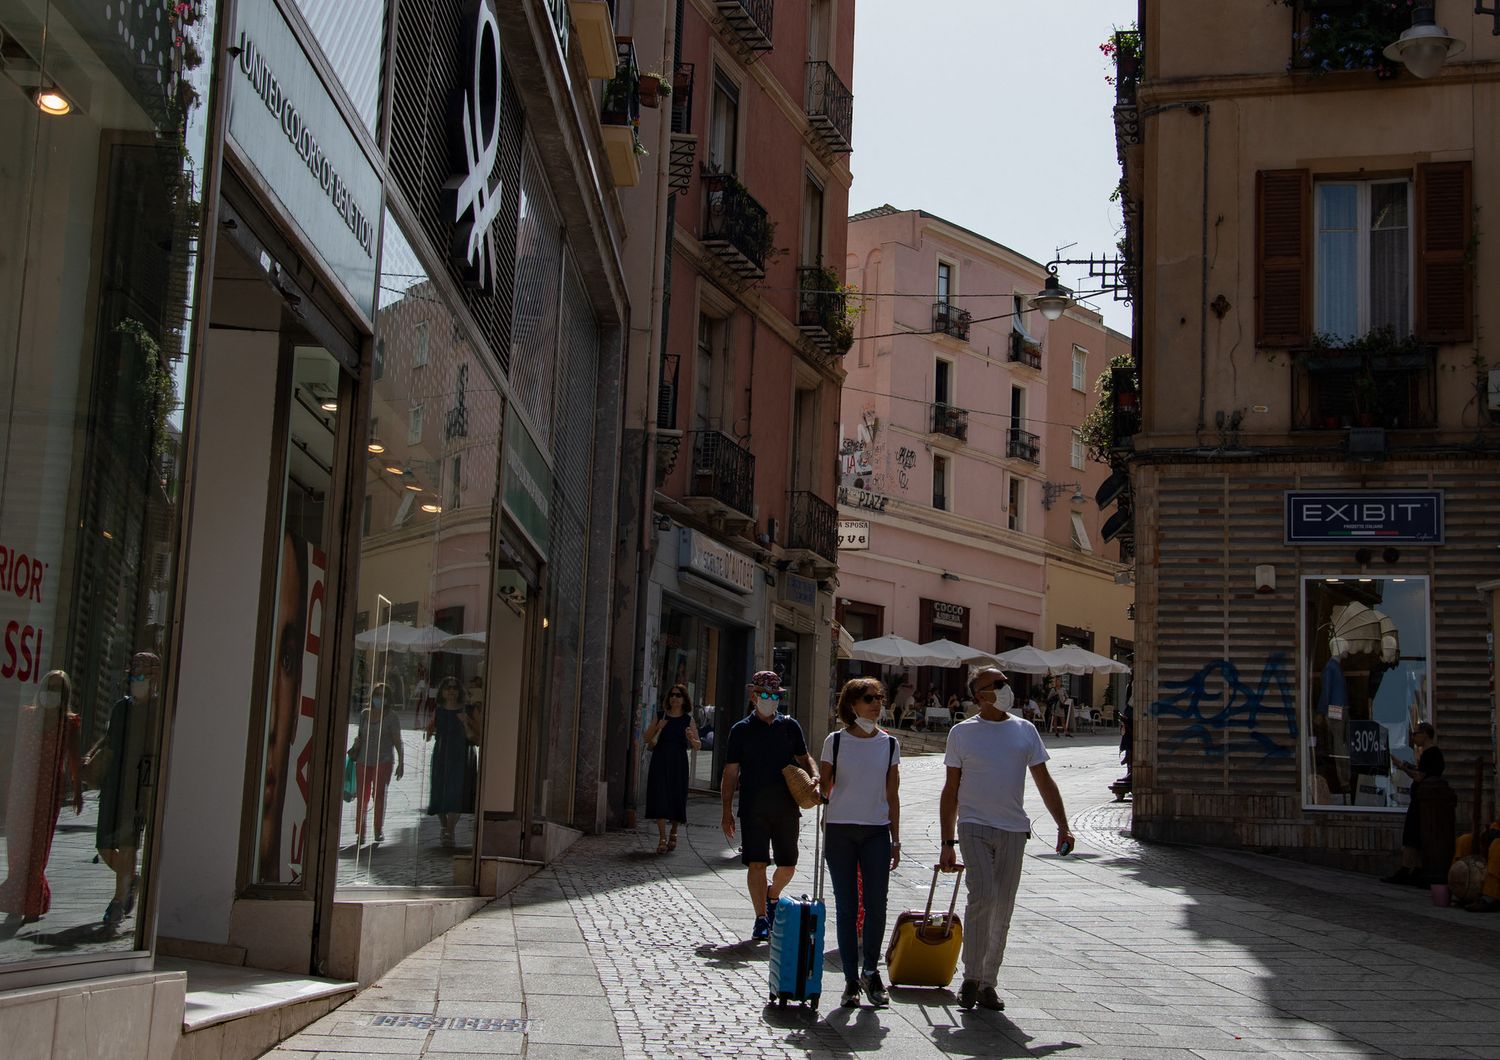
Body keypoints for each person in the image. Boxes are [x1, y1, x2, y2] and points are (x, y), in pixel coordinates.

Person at [939, 665, 1073, 1011]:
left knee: (1003, 906)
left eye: (1005, 683)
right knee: (982, 895)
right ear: (980, 694)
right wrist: (946, 843)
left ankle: (988, 982)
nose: (1004, 689)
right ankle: (970, 976)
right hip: (973, 824)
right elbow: (951, 789)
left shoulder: (1025, 731)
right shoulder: (962, 733)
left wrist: (1063, 824)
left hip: (1014, 829)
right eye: (997, 684)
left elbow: (1044, 779)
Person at [819, 678, 901, 1009]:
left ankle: (871, 971)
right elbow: (823, 788)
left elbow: (893, 794)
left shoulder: (890, 744)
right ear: (851, 704)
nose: (876, 704)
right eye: (869, 698)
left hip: (876, 831)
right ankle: (851, 979)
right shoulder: (835, 742)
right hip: (839, 829)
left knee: (877, 904)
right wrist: (814, 787)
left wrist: (897, 838)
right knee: (847, 906)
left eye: (880, 698)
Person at [721, 670, 818, 941]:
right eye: (764, 694)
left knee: (788, 866)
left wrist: (814, 774)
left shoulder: (790, 726)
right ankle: (761, 918)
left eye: (775, 695)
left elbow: (805, 756)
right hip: (753, 807)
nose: (770, 699)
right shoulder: (740, 730)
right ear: (753, 697)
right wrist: (726, 810)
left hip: (786, 806)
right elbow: (730, 773)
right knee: (757, 863)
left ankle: (773, 896)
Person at [1, 670, 83, 925]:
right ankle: (16, 901)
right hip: (21, 790)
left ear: (65, 694)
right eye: (49, 686)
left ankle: (33, 903)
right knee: (17, 846)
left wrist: (78, 791)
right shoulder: (27, 716)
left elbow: (73, 760)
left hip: (48, 793)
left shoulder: (68, 724)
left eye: (58, 689)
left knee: (37, 849)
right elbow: (11, 751)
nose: (52, 693)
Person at [88, 652, 162, 927]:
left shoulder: (158, 710)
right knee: (105, 846)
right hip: (114, 784)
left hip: (138, 788)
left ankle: (118, 902)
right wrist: (91, 758)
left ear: (154, 677)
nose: (136, 679)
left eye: (142, 674)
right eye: (133, 674)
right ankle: (132, 879)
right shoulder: (121, 708)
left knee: (128, 844)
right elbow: (109, 739)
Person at [1382, 721, 1445, 885]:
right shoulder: (1429, 754)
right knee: (1416, 835)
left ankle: (1407, 868)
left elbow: (1420, 776)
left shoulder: (1430, 754)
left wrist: (1403, 767)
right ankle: (1416, 870)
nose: (1413, 737)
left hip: (1423, 801)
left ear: (1425, 734)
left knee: (1411, 835)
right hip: (1424, 800)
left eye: (1416, 733)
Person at [644, 684, 701, 853]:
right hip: (660, 760)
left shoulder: (687, 720)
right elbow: (647, 738)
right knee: (659, 795)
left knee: (676, 796)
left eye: (678, 695)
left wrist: (691, 738)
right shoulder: (660, 716)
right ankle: (662, 837)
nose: (674, 698)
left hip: (678, 762)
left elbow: (698, 745)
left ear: (684, 700)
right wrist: (658, 727)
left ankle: (674, 831)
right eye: (672, 695)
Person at [425, 675, 480, 846]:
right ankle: (444, 828)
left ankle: (450, 830)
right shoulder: (439, 711)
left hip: (461, 755)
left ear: (459, 691)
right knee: (439, 791)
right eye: (448, 688)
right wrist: (429, 727)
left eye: (454, 687)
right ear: (442, 691)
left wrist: (467, 721)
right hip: (442, 754)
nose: (451, 691)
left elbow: (479, 732)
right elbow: (429, 735)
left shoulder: (468, 710)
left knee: (456, 792)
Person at [350, 682, 405, 844]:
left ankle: (377, 829)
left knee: (379, 795)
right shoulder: (364, 714)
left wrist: (401, 762)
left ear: (388, 699)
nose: (379, 699)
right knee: (362, 796)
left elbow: (397, 741)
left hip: (384, 760)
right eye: (376, 695)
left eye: (383, 696)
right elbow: (360, 736)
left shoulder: (392, 717)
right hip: (363, 759)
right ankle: (360, 832)